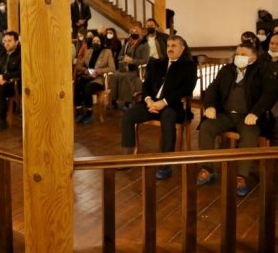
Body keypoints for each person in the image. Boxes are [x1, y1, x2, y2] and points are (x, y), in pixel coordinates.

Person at [196, 44, 277, 197]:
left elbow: (269, 94)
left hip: (247, 116)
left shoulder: (262, 71)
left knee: (250, 134)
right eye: (237, 53)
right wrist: (210, 105)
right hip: (225, 114)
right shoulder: (227, 70)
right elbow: (213, 88)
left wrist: (255, 112)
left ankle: (241, 176)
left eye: (243, 54)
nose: (238, 56)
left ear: (253, 58)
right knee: (206, 127)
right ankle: (207, 168)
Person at [121, 36, 197, 179]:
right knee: (128, 115)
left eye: (174, 46)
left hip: (172, 106)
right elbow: (146, 84)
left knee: (168, 118)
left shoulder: (189, 66)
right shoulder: (158, 63)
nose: (170, 49)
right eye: (168, 45)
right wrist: (148, 100)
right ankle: (128, 155)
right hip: (151, 104)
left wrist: (164, 102)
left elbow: (186, 89)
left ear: (182, 48)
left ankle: (166, 164)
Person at [73, 35, 115, 124]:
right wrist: (85, 70)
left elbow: (112, 68)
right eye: (93, 41)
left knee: (87, 88)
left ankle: (89, 113)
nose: (95, 43)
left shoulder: (107, 52)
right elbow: (79, 65)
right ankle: (79, 112)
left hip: (99, 79)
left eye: (97, 41)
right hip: (88, 76)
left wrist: (99, 71)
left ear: (102, 42)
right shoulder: (89, 51)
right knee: (77, 85)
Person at [109, 24, 149, 109]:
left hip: (136, 69)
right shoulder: (126, 44)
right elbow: (119, 56)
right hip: (124, 67)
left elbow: (145, 61)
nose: (132, 35)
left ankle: (128, 102)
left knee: (125, 76)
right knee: (115, 75)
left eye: (135, 33)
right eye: (131, 32)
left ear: (140, 35)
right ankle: (114, 100)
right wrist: (124, 58)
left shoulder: (144, 45)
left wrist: (132, 61)